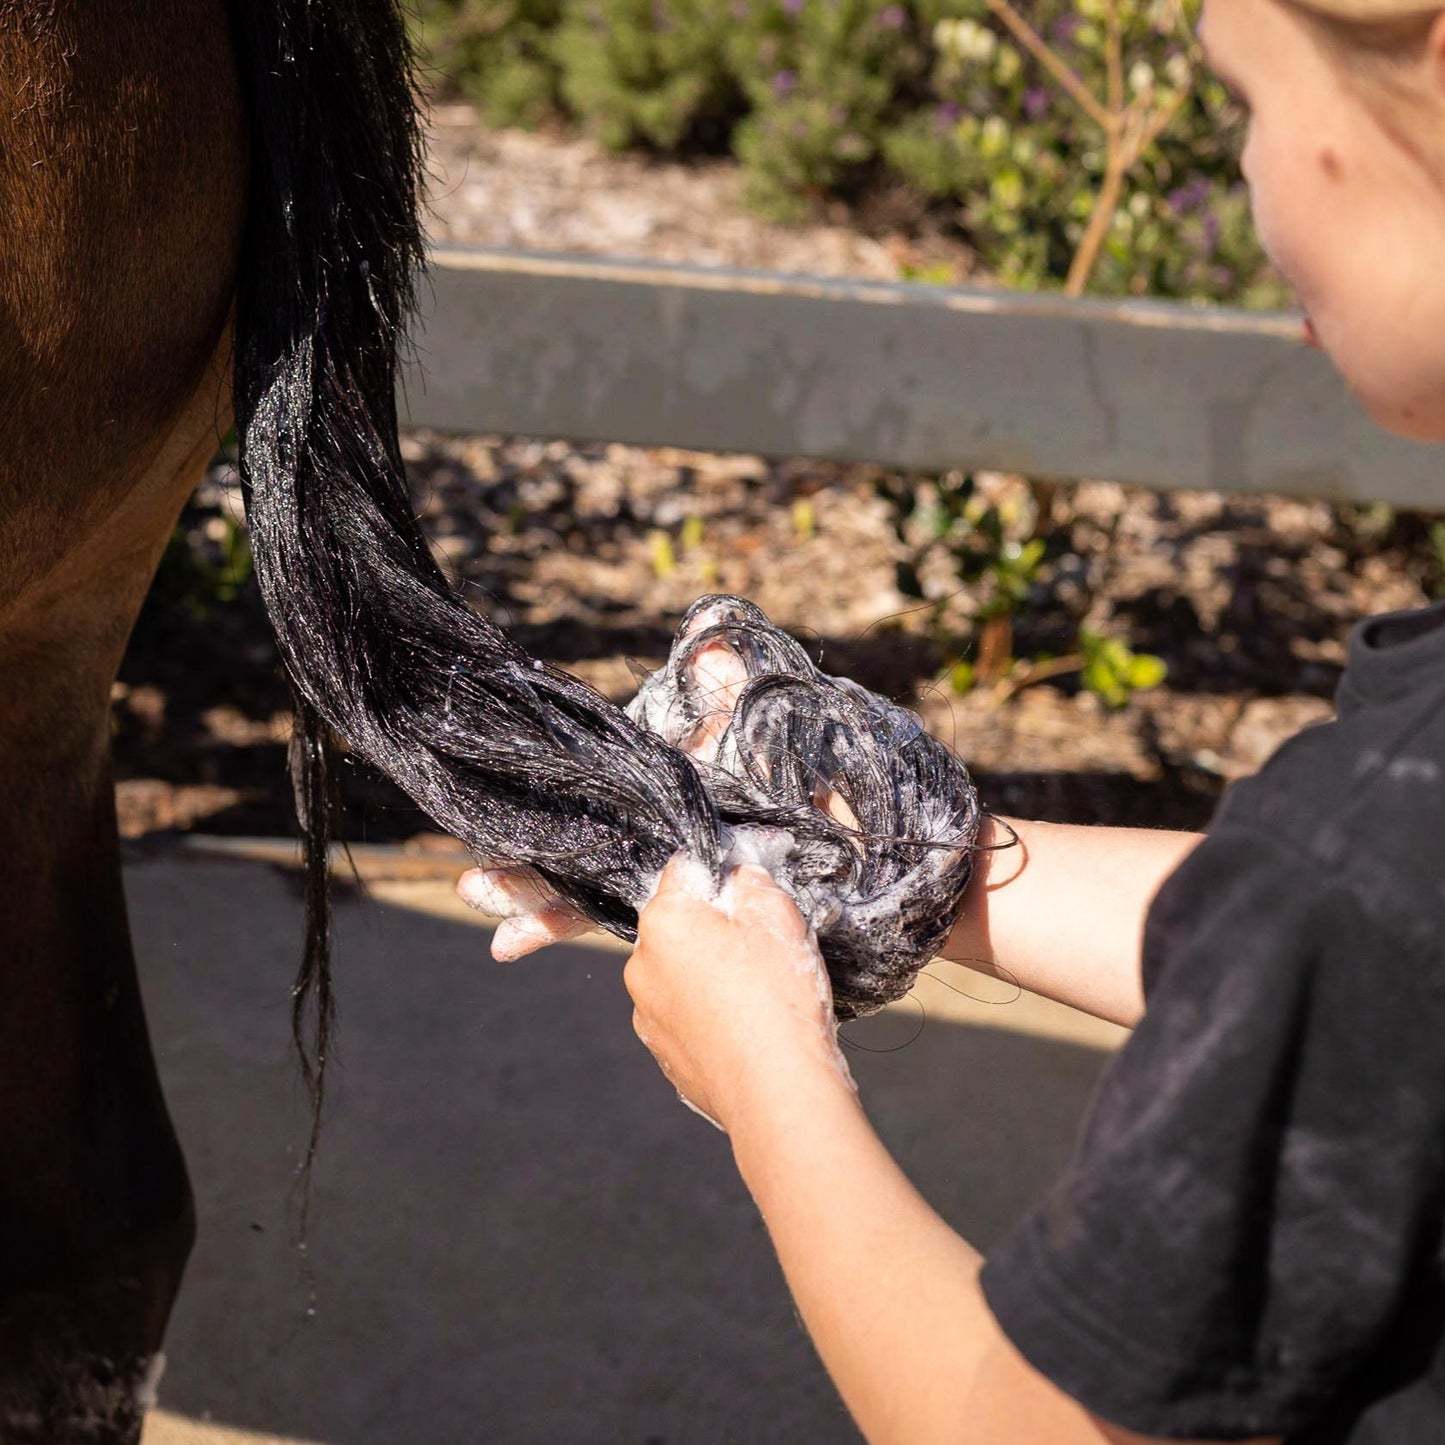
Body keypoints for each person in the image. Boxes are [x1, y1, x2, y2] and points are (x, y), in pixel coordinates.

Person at [460, 0, 1445, 1438]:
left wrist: (766, 1069)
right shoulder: (1388, 839)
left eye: (1244, 94)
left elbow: (1012, 1423)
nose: (1240, 176)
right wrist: (884, 857)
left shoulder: (1363, 856)